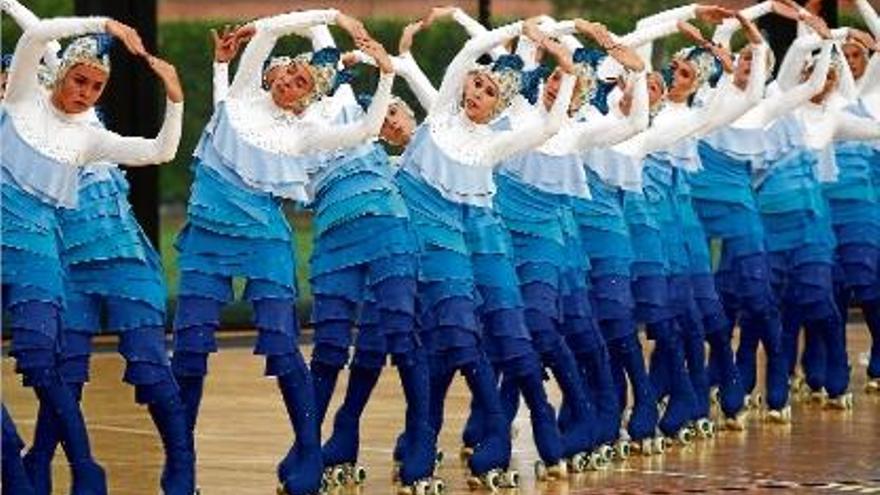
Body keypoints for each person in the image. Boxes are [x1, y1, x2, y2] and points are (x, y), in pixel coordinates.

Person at [170, 9, 391, 495]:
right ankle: (181, 466)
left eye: (302, 81)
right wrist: (333, 15)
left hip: (265, 237)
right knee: (187, 352)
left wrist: (389, 75)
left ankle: (309, 451)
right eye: (290, 71)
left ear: (310, 97)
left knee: (281, 343)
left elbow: (364, 131)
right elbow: (268, 31)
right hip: (207, 234)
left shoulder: (306, 132)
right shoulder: (243, 92)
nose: (290, 80)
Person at [2, 9, 184, 495]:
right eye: (78, 80)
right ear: (57, 76)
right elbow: (38, 34)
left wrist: (175, 97)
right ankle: (24, 465)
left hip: (62, 253)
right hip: (45, 254)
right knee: (53, 366)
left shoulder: (90, 136)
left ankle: (90, 468)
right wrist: (103, 24)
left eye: (96, 87)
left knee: (51, 363)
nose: (85, 92)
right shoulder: (21, 102)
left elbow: (160, 152)